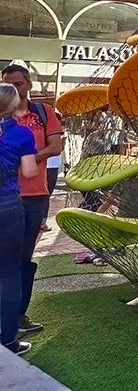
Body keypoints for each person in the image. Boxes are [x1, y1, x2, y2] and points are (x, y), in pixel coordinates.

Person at [1, 64, 63, 336]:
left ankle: (17, 317)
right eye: (8, 84)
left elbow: (55, 147)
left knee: (23, 258)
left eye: (19, 83)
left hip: (34, 197)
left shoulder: (43, 113)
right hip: (8, 197)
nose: (14, 89)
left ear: (29, 85)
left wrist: (28, 156)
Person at [0, 83, 39, 356]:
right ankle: (8, 339)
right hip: (7, 206)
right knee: (10, 273)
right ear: (14, 105)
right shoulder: (22, 134)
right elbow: (29, 172)